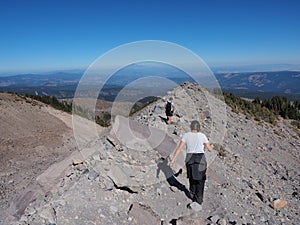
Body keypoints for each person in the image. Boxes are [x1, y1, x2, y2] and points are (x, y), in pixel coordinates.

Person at [170, 120, 213, 206]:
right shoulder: (202, 136)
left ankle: (192, 194)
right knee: (201, 179)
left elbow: (179, 149)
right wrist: (212, 146)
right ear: (199, 128)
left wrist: (173, 159)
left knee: (191, 177)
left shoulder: (186, 136)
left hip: (190, 158)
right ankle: (199, 199)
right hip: (200, 158)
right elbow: (209, 149)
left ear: (191, 127)